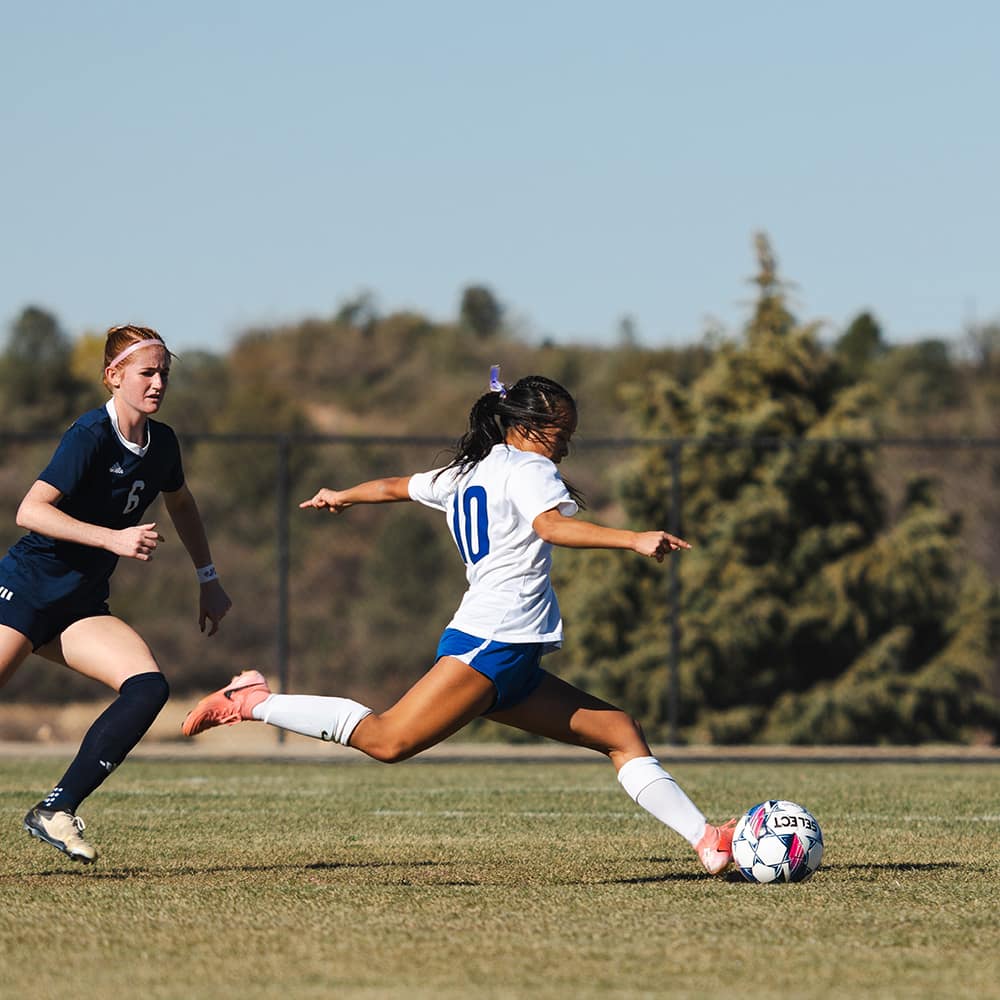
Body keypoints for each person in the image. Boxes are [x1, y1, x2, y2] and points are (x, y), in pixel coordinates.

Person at [183, 369, 735, 874]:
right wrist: (632, 538)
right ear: (528, 427)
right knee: (388, 741)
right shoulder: (530, 468)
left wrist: (343, 496)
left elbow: (395, 486)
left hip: (513, 653)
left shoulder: (466, 472)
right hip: (491, 642)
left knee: (620, 732)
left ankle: (707, 841)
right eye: (561, 432)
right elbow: (550, 527)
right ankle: (253, 701)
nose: (566, 444)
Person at [1, 324, 232, 864]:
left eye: (163, 374)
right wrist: (113, 538)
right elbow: (30, 511)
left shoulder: (163, 443)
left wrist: (208, 578)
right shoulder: (90, 434)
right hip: (26, 591)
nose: (158, 384)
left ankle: (56, 809)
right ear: (113, 377)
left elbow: (182, 504)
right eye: (146, 373)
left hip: (79, 606)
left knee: (148, 688)